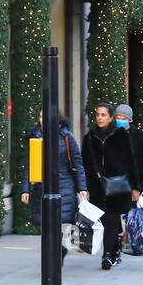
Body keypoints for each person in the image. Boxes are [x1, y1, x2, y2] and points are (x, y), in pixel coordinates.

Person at [18, 110, 89, 266]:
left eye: (47, 116)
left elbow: (77, 163)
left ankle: (56, 254)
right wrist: (25, 189)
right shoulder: (35, 136)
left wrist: (82, 188)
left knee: (57, 223)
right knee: (46, 224)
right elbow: (29, 165)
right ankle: (57, 251)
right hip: (41, 187)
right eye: (41, 116)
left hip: (64, 186)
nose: (43, 120)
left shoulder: (66, 136)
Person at [82, 101, 142, 270]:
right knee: (109, 221)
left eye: (103, 115)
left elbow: (131, 162)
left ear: (110, 118)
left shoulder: (120, 134)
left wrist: (136, 186)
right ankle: (114, 249)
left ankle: (107, 255)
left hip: (118, 186)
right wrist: (83, 187)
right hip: (97, 187)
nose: (100, 118)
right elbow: (84, 163)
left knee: (111, 218)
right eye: (98, 115)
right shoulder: (90, 137)